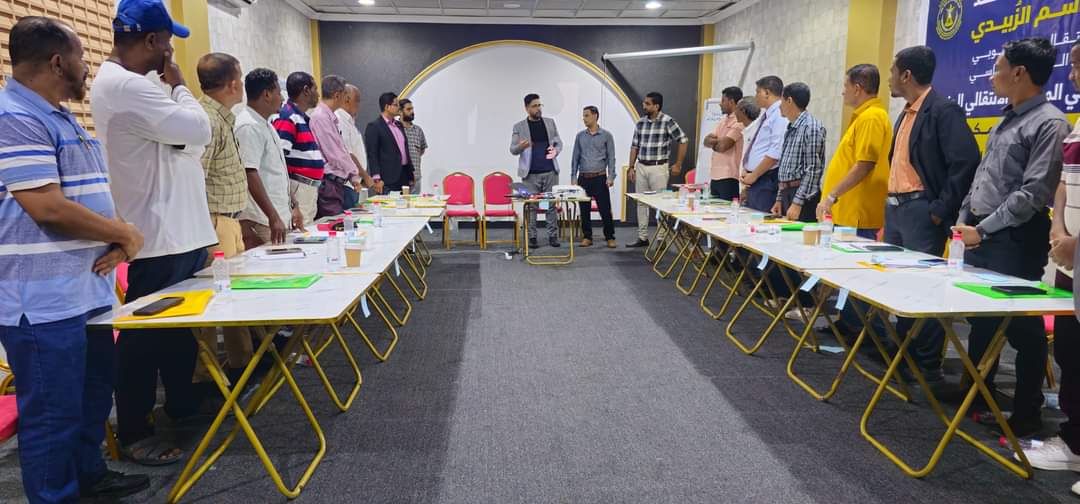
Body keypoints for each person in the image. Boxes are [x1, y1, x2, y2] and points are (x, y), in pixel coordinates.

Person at [0, 16, 150, 502]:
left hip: (84, 292)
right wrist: (123, 233)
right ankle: (55, 496)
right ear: (57, 62)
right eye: (82, 56)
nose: (88, 66)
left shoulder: (59, 116)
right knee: (52, 414)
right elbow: (47, 208)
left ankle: (89, 475)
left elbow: (87, 196)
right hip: (43, 302)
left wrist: (118, 240)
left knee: (91, 398)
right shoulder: (14, 117)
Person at [91, 0, 216, 465]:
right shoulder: (126, 86)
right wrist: (180, 87)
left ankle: (180, 403)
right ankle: (135, 428)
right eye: (167, 42)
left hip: (179, 231)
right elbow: (198, 130)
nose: (171, 52)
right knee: (143, 340)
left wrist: (183, 131)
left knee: (178, 332)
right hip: (157, 234)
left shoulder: (139, 86)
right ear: (151, 41)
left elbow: (188, 142)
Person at [952, 37, 1070, 438]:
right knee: (982, 323)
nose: (993, 75)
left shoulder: (1050, 123)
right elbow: (981, 179)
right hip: (979, 235)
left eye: (998, 67)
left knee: (1023, 329)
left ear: (1019, 72)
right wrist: (964, 221)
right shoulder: (1006, 119)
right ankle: (978, 398)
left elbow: (1032, 194)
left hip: (1014, 240)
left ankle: (1026, 414)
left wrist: (982, 229)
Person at [883, 45, 980, 381]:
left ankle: (925, 363)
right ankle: (904, 352)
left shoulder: (942, 110)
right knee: (900, 286)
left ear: (906, 75)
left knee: (924, 288)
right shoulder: (906, 113)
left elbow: (965, 161)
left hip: (922, 210)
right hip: (896, 210)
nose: (890, 78)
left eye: (893, 71)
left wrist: (940, 210)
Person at [1022, 38, 1080, 473]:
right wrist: (1059, 228)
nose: (1074, 76)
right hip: (1069, 258)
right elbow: (1063, 181)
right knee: (1070, 352)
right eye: (1073, 67)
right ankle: (1073, 440)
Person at [194, 52, 253, 385]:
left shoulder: (222, 118)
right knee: (213, 302)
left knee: (234, 297)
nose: (241, 84)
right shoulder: (208, 120)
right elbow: (196, 177)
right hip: (214, 222)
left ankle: (241, 365)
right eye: (240, 78)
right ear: (232, 84)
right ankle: (206, 379)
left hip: (228, 220)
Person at [817, 64, 892, 238]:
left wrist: (831, 196)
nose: (843, 92)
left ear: (857, 89)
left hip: (857, 216)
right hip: (847, 213)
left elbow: (864, 165)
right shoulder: (864, 116)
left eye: (846, 86)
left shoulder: (871, 117)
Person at [237, 68, 302, 248]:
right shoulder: (248, 126)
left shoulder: (266, 124)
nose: (282, 98)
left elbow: (278, 171)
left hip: (278, 216)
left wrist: (294, 205)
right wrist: (273, 216)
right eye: (279, 93)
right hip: (263, 220)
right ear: (266, 94)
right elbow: (249, 173)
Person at [626, 91, 689, 247]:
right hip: (641, 165)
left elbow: (683, 140)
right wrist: (631, 167)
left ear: (656, 106)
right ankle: (642, 237)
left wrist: (678, 164)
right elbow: (634, 146)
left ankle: (661, 239)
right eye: (644, 103)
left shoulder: (667, 121)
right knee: (641, 203)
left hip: (658, 167)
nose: (644, 106)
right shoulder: (640, 123)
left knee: (660, 203)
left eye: (647, 104)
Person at [310, 75, 372, 219]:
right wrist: (355, 173)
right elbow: (336, 155)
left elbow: (341, 149)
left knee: (343, 223)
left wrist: (353, 177)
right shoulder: (321, 117)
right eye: (345, 94)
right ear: (337, 95)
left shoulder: (330, 117)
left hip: (339, 182)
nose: (346, 99)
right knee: (335, 225)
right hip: (329, 183)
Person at [510, 93, 563, 248]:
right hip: (530, 174)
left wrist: (556, 150)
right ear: (527, 108)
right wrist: (522, 146)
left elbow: (559, 142)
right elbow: (513, 149)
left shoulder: (550, 123)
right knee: (531, 206)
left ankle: (552, 236)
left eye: (540, 105)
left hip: (550, 172)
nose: (538, 108)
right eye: (534, 106)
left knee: (549, 205)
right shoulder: (519, 127)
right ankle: (532, 237)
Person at [273, 71, 324, 228]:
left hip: (308, 187)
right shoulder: (287, 117)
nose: (318, 94)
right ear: (306, 90)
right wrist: (292, 199)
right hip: (298, 186)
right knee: (301, 232)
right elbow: (279, 159)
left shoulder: (300, 117)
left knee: (308, 229)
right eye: (315, 89)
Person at [772, 82, 826, 222]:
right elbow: (785, 167)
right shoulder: (791, 127)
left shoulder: (811, 127)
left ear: (789, 101)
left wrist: (797, 203)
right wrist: (779, 198)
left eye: (781, 101)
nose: (779, 106)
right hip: (787, 193)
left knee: (799, 235)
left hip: (803, 197)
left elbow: (813, 170)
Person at [571, 105, 617, 248]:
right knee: (584, 210)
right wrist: (573, 176)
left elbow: (611, 158)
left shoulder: (606, 135)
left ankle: (610, 236)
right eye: (583, 116)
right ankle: (587, 237)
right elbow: (575, 158)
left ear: (595, 116)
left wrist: (611, 176)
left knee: (605, 209)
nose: (584, 119)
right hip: (583, 178)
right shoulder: (580, 136)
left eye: (587, 115)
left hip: (600, 177)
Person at [740, 76, 788, 212]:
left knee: (759, 219)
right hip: (755, 178)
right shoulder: (766, 114)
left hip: (766, 178)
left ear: (767, 93)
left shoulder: (779, 114)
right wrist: (748, 169)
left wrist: (754, 175)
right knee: (750, 217)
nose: (755, 96)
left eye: (758, 92)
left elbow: (775, 152)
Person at [365, 92, 413, 194]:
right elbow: (372, 154)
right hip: (387, 178)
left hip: (404, 175)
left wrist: (410, 173)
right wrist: (376, 177)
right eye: (396, 105)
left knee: (406, 203)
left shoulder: (399, 125)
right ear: (387, 107)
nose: (399, 107)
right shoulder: (375, 126)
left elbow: (405, 150)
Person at [703, 86, 744, 200]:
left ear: (731, 102)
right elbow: (706, 141)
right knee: (713, 209)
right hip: (715, 176)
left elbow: (723, 146)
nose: (720, 104)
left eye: (723, 100)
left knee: (726, 210)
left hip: (729, 177)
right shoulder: (723, 120)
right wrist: (719, 141)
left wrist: (716, 142)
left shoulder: (739, 121)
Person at [336, 84, 370, 205]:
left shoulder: (348, 121)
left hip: (354, 183)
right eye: (357, 100)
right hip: (347, 185)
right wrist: (365, 176)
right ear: (347, 99)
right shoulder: (340, 119)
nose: (358, 105)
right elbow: (347, 154)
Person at [399, 99, 429, 192]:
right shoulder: (396, 129)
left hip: (416, 178)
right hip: (400, 178)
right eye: (408, 109)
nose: (412, 112)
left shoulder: (418, 130)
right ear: (400, 111)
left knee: (416, 202)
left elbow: (421, 150)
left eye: (412, 109)